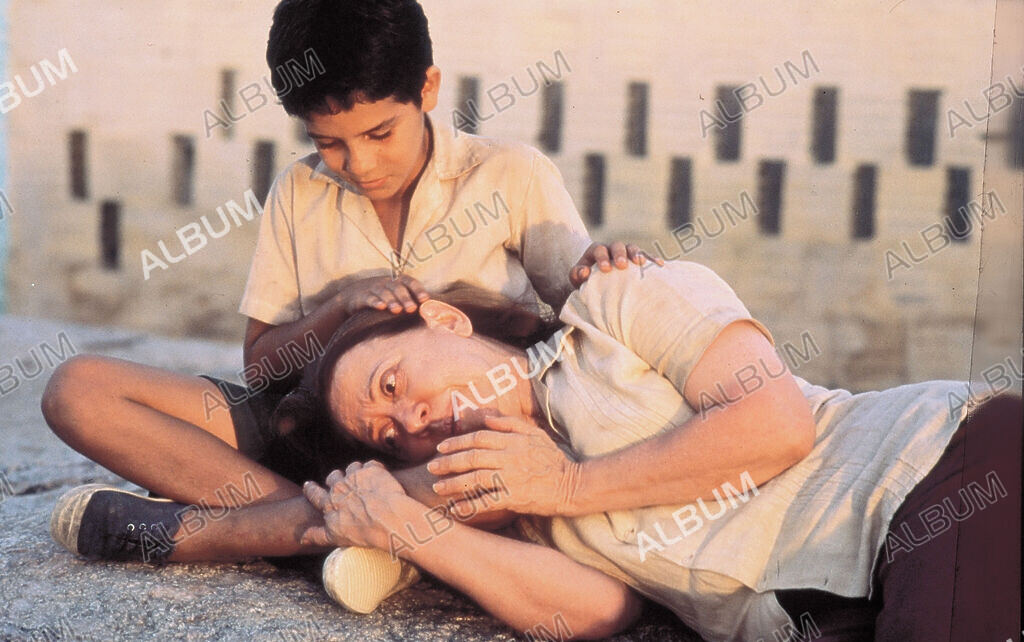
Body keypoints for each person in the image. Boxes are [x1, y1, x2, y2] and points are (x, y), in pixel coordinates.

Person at [42, 0, 647, 566]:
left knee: (494, 475)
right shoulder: (300, 192)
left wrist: (610, 270)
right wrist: (336, 309)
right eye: (328, 143)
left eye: (379, 134)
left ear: (427, 88)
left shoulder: (510, 174)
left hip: (439, 451)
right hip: (308, 430)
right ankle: (329, 531)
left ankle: (275, 530)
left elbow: (582, 319)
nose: (359, 164)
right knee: (77, 391)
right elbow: (260, 369)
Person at [290, 262, 1020, 642]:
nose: (412, 421)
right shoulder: (509, 492)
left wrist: (570, 484)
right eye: (389, 436)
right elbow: (600, 608)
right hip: (826, 623)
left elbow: (776, 423)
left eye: (393, 386)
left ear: (444, 321)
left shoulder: (614, 306)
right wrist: (415, 531)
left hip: (937, 472)